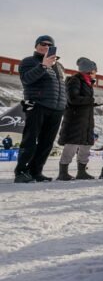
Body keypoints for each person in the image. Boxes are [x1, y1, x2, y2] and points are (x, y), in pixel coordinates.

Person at [14, 35, 67, 183]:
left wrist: (64, 103)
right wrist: (43, 66)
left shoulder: (59, 66)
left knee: (47, 142)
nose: (45, 46)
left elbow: (61, 86)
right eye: (42, 44)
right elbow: (26, 79)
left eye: (49, 45)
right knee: (30, 139)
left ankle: (36, 171)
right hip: (37, 105)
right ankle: (21, 172)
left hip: (56, 108)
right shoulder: (28, 61)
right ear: (36, 46)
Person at [56, 57, 103, 180]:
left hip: (86, 120)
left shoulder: (88, 83)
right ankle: (63, 172)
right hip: (75, 119)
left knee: (86, 145)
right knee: (71, 145)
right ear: (89, 71)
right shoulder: (75, 80)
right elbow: (73, 99)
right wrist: (93, 100)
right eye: (95, 71)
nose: (96, 73)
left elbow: (84, 101)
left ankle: (81, 171)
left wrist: (94, 103)